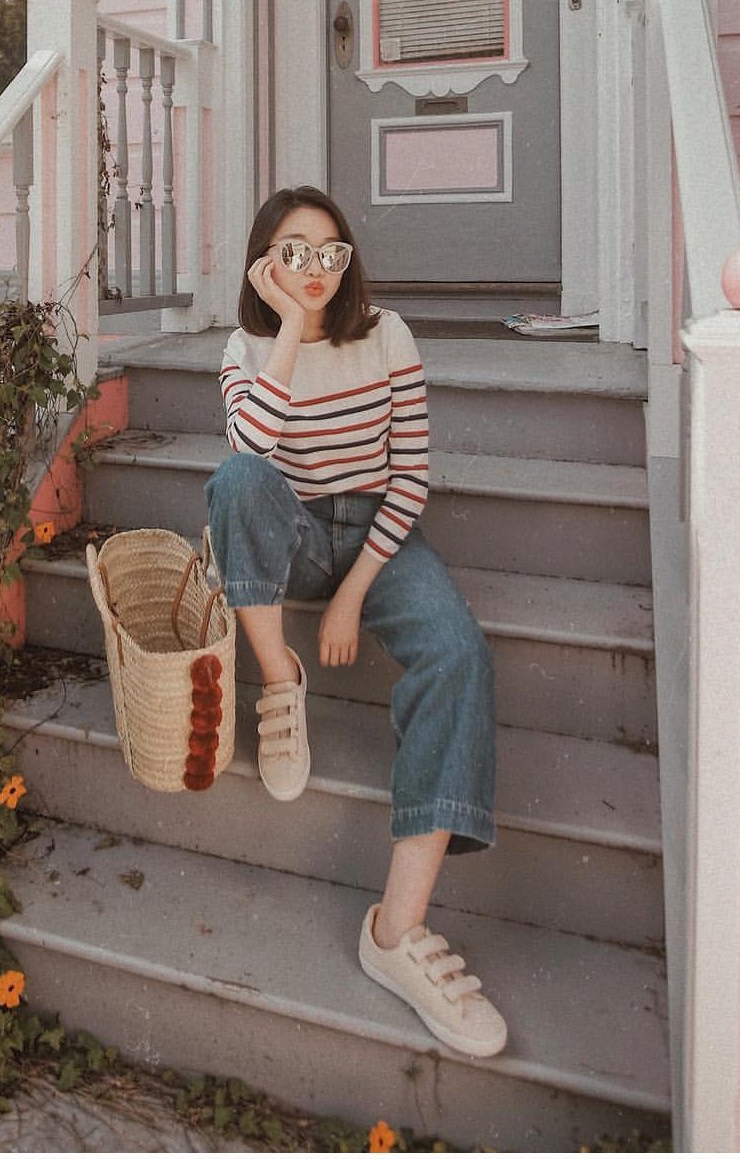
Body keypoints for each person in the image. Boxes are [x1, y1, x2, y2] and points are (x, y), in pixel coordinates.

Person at [204, 185, 506, 1058]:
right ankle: (279, 682)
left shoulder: (389, 335)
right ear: (266, 261)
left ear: (349, 260)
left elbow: (409, 476)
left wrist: (350, 594)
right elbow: (251, 456)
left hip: (379, 533)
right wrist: (288, 331)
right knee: (236, 482)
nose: (315, 267)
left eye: (330, 251)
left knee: (458, 652)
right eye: (293, 251)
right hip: (289, 526)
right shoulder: (244, 346)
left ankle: (397, 935)